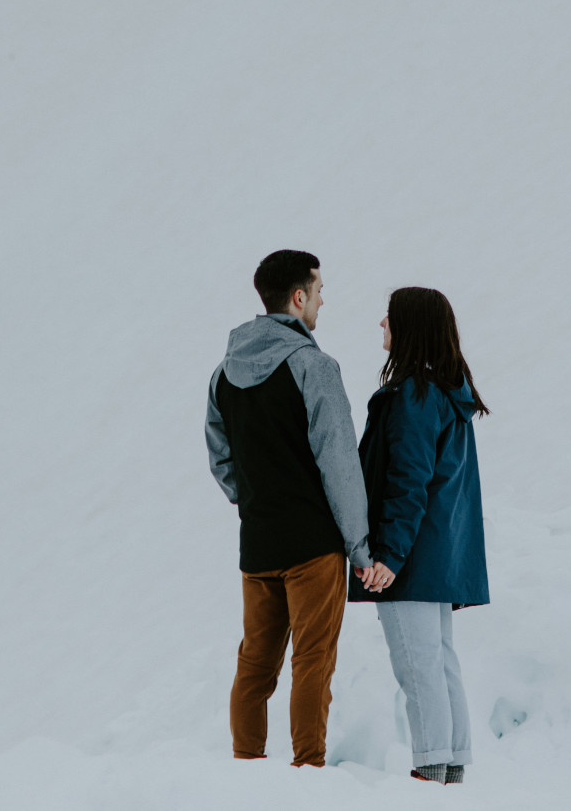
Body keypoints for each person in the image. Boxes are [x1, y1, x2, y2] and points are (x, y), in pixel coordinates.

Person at [206, 249, 384, 767]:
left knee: (255, 666)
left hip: (257, 545)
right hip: (314, 547)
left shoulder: (223, 373)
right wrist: (359, 545)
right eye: (319, 290)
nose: (323, 300)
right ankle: (308, 773)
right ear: (298, 297)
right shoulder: (314, 366)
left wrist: (256, 499)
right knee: (312, 662)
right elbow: (340, 465)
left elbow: (220, 458)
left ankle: (246, 770)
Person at [351, 286, 490, 785]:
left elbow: (407, 480)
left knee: (417, 666)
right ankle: (450, 768)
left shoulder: (412, 396)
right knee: (440, 660)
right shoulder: (446, 396)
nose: (380, 324)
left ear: (408, 327)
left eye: (388, 317)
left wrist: (388, 554)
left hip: (409, 557)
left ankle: (428, 770)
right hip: (440, 555)